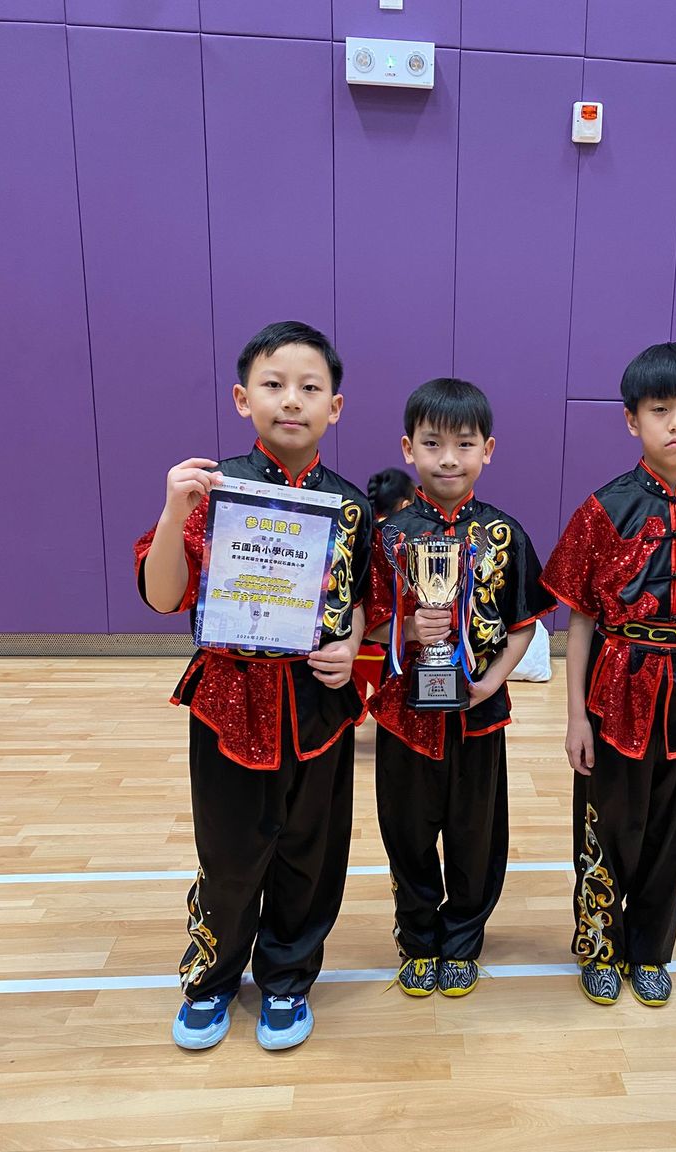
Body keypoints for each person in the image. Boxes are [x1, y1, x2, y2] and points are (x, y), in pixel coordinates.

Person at [134, 320, 372, 1051]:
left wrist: (352, 646)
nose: (291, 400)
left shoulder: (351, 504)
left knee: (310, 852)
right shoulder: (212, 490)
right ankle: (211, 978)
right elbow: (162, 596)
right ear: (243, 399)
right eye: (273, 385)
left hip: (316, 706)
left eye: (310, 387)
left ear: (335, 406)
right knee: (230, 852)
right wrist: (172, 512)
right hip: (230, 702)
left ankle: (288, 978)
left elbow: (363, 599)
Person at [541, 342, 676, 1008]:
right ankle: (599, 947)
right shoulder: (603, 509)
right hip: (615, 688)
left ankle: (650, 951)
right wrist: (576, 716)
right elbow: (580, 618)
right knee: (606, 824)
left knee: (671, 831)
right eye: (660, 409)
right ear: (631, 419)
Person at [364, 378, 555, 997]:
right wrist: (406, 628)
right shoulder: (387, 536)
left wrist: (491, 681)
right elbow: (361, 620)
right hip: (405, 715)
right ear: (408, 448)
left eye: (465, 444)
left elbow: (524, 625)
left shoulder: (505, 534)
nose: (449, 458)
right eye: (432, 443)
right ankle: (418, 937)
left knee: (477, 835)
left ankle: (464, 938)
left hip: (477, 713)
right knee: (407, 832)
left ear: (487, 450)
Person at [352, 468, 416, 701]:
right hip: (383, 640)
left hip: (350, 637)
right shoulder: (398, 541)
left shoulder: (360, 531)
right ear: (406, 504)